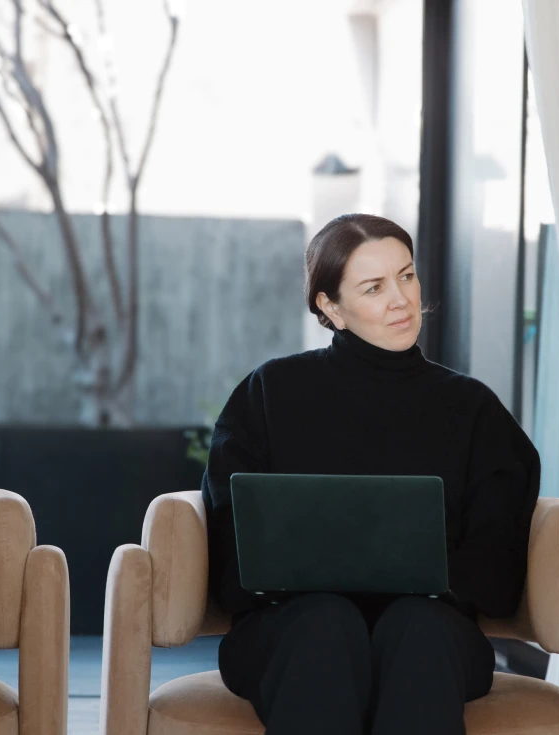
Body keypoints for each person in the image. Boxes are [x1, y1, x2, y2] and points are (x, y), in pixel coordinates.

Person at [202, 213, 541, 735]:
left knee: (416, 630)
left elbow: (498, 569)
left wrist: (424, 577)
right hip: (292, 629)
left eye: (407, 276)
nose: (402, 300)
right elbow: (230, 552)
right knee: (324, 624)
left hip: (431, 631)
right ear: (330, 307)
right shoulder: (270, 393)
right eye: (374, 287)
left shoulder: (472, 409)